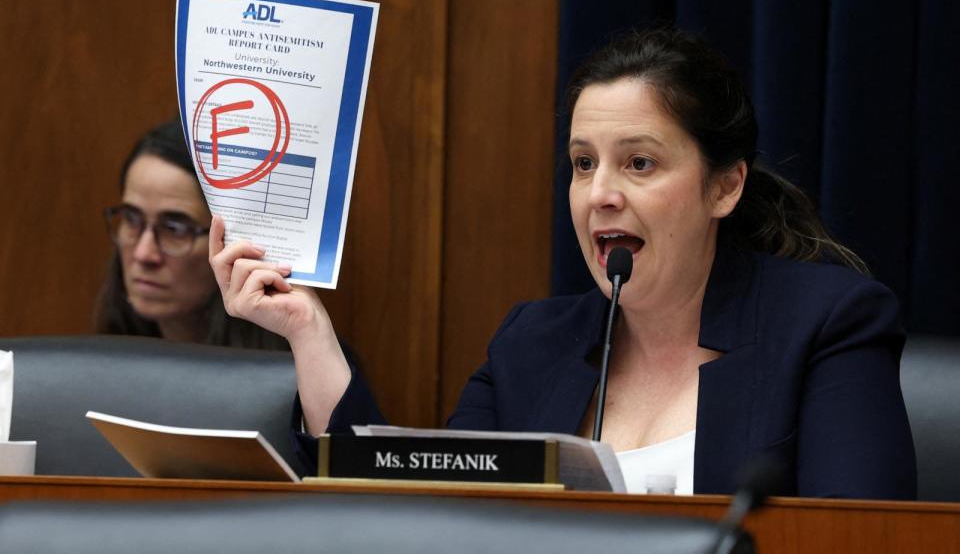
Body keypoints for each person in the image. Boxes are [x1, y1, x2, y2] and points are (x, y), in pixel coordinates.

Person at [209, 28, 917, 499]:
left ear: (724, 185)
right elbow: (415, 509)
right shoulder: (533, 345)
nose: (600, 194)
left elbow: (857, 535)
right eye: (583, 164)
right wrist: (308, 331)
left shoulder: (825, 325)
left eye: (639, 163)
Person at [95, 119, 289, 350]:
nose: (144, 254)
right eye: (131, 219)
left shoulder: (302, 377)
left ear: (234, 244)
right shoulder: (102, 365)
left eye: (175, 229)